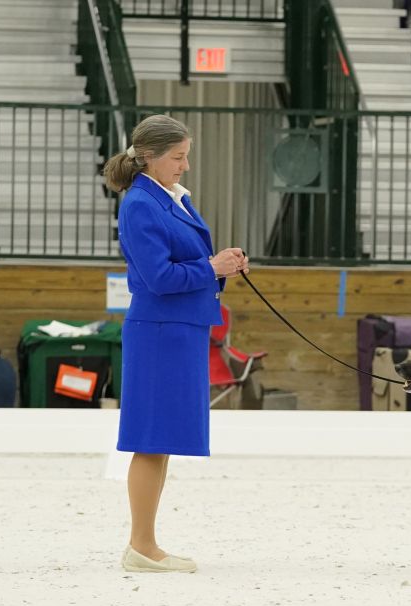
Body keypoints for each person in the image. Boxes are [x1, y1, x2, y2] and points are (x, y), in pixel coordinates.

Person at [103, 114, 249, 573]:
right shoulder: (141, 204)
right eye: (178, 157)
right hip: (160, 332)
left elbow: (184, 264)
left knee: (160, 440)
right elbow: (158, 277)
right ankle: (141, 545)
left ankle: (145, 543)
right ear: (149, 157)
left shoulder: (168, 198)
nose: (185, 165)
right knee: (150, 440)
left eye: (186, 156)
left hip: (178, 330)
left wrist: (219, 266)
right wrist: (212, 267)